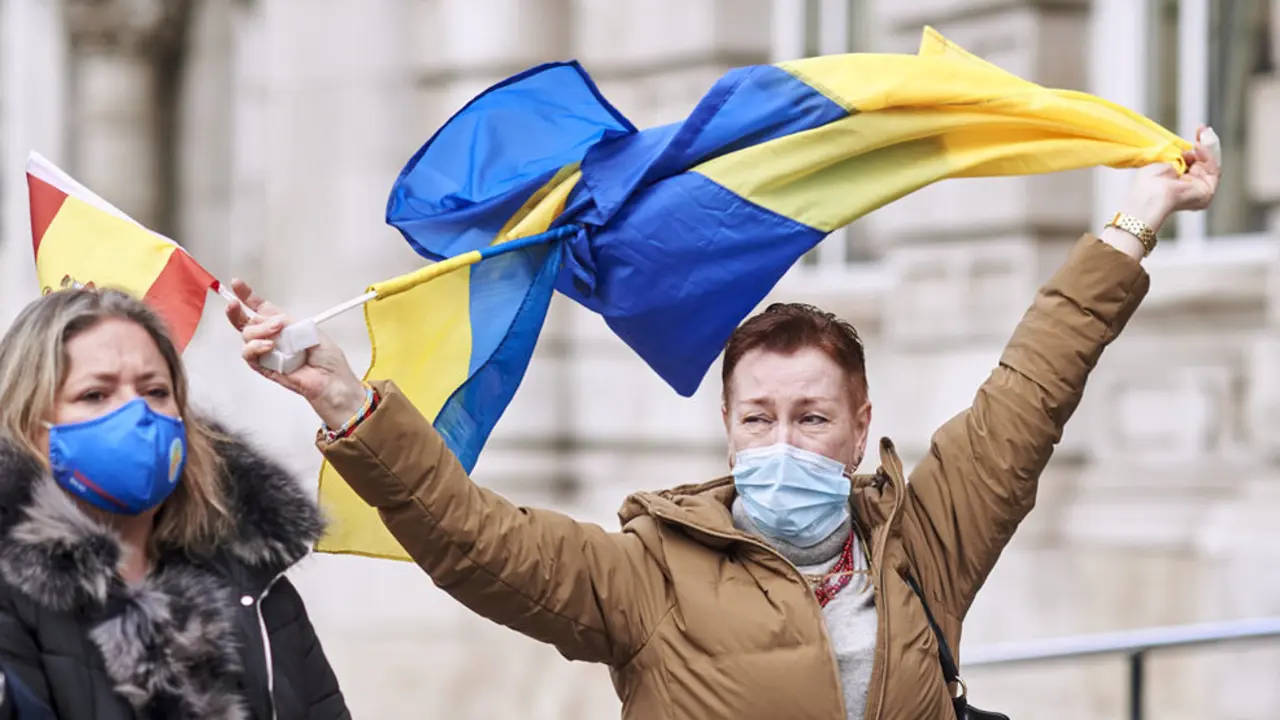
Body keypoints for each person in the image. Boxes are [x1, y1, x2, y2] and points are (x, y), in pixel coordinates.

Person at [229, 131, 1221, 720]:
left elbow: (1031, 385)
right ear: (725, 424)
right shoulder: (645, 574)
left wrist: (1136, 218)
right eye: (758, 416)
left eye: (811, 416)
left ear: (859, 421)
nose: (782, 440)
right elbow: (472, 538)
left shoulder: (922, 540)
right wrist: (344, 401)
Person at [0, 288, 350, 719]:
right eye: (95, 394)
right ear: (26, 423)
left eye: (155, 390)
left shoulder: (252, 584)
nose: (139, 414)